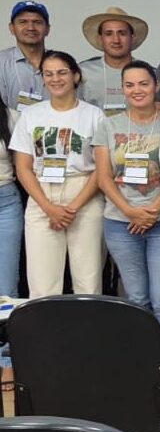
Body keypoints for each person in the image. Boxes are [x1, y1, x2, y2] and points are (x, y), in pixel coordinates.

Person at [91, 61, 160, 342]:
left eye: (143, 83)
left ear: (157, 86)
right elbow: (104, 177)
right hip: (120, 223)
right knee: (137, 297)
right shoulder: (108, 125)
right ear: (122, 89)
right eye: (129, 85)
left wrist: (152, 211)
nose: (136, 90)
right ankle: (144, 357)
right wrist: (130, 211)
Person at [9, 51, 106, 298]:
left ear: (75, 76)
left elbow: (101, 168)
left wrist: (72, 207)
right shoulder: (31, 115)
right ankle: (45, 336)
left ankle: (88, 335)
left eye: (62, 72)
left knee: (88, 279)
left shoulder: (93, 115)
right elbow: (23, 167)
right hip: (42, 194)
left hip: (84, 193)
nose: (56, 79)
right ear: (43, 79)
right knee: (42, 283)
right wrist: (48, 207)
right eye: (49, 74)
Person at [77, 7, 149, 117]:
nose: (116, 40)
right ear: (101, 38)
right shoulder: (83, 71)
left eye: (122, 33)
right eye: (109, 33)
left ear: (132, 37)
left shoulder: (148, 73)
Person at [0, 90, 24, 392]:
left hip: (6, 201)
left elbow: (23, 166)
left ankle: (7, 360)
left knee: (6, 287)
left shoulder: (11, 117)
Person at [0, 0, 50, 126]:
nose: (31, 28)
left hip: (51, 138)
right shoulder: (1, 62)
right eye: (23, 22)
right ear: (11, 28)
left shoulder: (60, 63)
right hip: (10, 139)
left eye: (37, 22)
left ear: (47, 29)